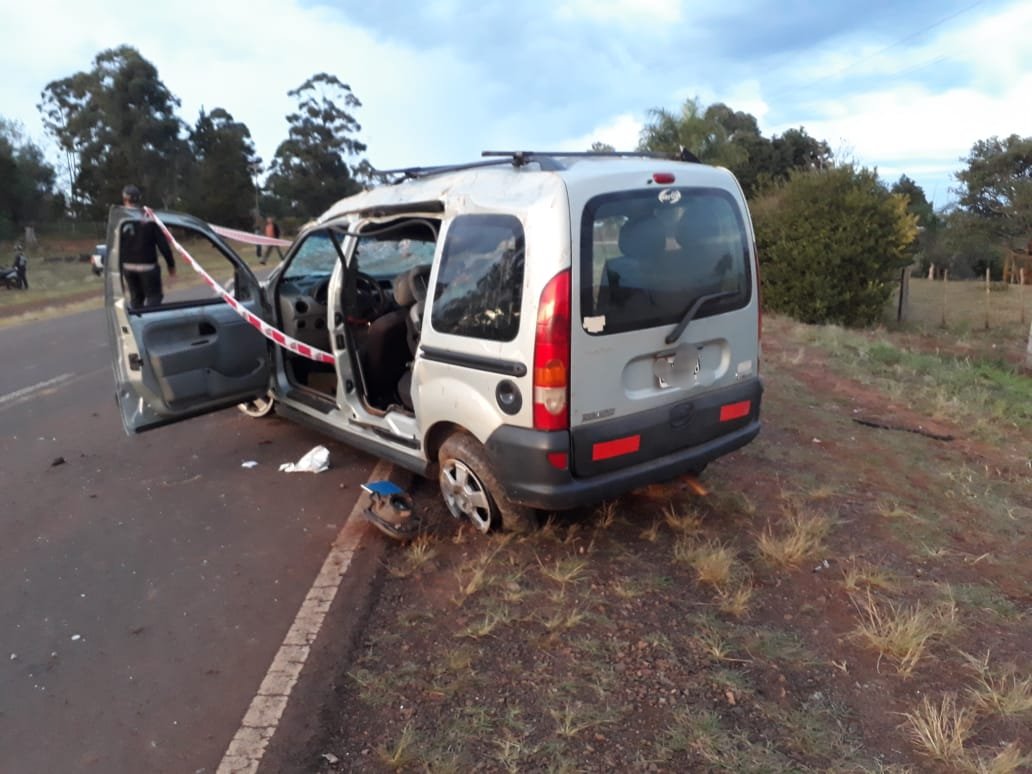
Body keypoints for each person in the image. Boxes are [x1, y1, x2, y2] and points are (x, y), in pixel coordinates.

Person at [119, 184, 175, 308]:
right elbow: (163, 244)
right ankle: (153, 321)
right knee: (154, 297)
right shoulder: (149, 217)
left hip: (128, 266)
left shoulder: (120, 219)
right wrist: (171, 264)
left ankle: (137, 322)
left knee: (136, 298)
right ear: (139, 199)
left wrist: (119, 270)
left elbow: (116, 247)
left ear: (125, 199)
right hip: (148, 266)